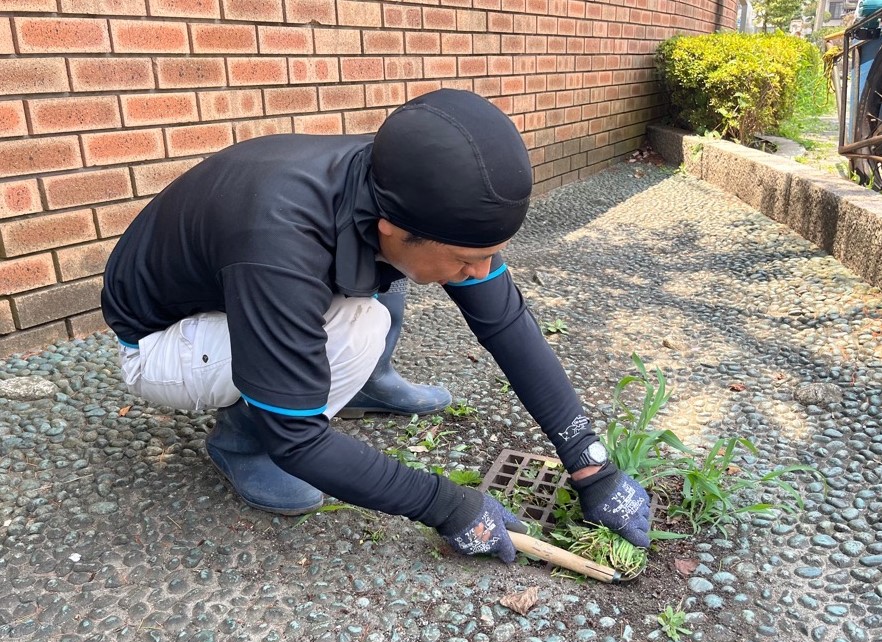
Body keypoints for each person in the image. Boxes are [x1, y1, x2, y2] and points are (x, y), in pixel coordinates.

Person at [101, 89, 650, 562]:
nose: (479, 273)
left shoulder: (406, 189)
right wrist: (449, 505)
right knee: (358, 327)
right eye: (467, 259)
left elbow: (505, 321)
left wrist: (591, 464)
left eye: (491, 255)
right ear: (392, 226)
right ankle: (243, 444)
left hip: (236, 291)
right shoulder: (280, 243)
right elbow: (299, 441)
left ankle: (368, 381)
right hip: (159, 339)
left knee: (391, 277)